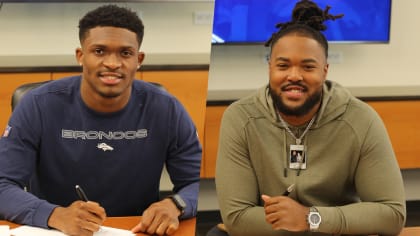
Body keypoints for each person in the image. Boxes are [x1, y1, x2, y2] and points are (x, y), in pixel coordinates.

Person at [0, 4, 202, 236]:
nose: (112, 63)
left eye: (125, 53)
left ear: (139, 59)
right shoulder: (37, 104)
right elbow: (3, 185)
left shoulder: (167, 108)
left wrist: (175, 204)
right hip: (56, 230)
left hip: (135, 230)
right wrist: (54, 214)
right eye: (99, 51)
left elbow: (194, 182)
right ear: (80, 55)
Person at [215, 0, 406, 235]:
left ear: (324, 70)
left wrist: (310, 218)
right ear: (270, 68)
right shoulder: (240, 119)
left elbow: (392, 214)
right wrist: (310, 221)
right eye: (283, 66)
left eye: (308, 67)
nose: (294, 76)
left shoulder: (361, 119)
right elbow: (237, 218)